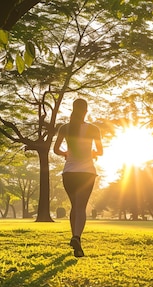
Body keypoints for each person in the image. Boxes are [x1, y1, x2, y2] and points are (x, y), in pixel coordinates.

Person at [53, 98, 103, 257]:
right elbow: (100, 151)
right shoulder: (94, 129)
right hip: (87, 172)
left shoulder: (65, 128)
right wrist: (92, 154)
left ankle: (75, 239)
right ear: (86, 111)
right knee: (81, 207)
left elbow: (55, 149)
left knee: (75, 206)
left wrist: (65, 153)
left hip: (69, 173)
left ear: (73, 109)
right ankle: (76, 237)